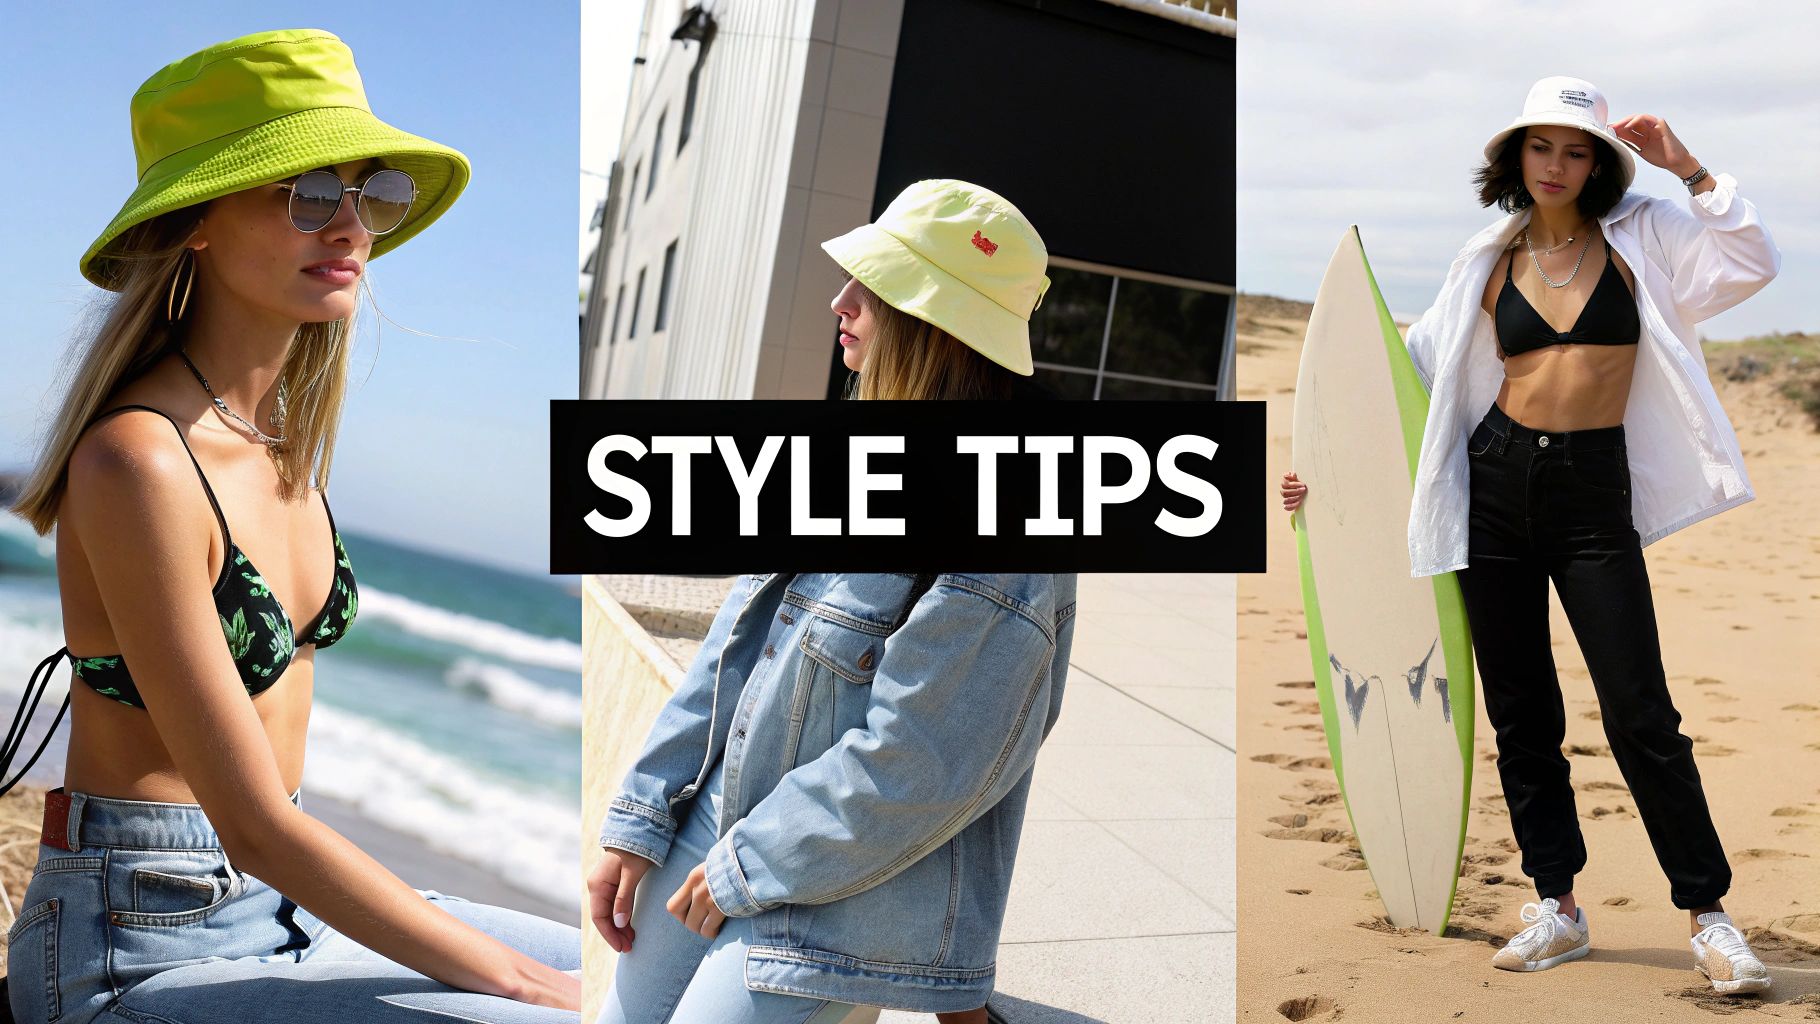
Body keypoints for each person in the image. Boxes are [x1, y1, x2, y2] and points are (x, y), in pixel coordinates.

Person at [3, 29, 579, 1022]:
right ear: (195, 224)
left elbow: (277, 844)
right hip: (140, 941)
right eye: (310, 194)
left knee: (640, 963)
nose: (351, 226)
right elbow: (254, 823)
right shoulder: (139, 458)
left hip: (290, 910)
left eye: (372, 195)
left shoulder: (282, 454)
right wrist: (522, 981)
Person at [1281, 76, 1778, 993]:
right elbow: (1405, 375)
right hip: (1495, 486)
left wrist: (1688, 168)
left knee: (1641, 712)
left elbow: (1750, 262)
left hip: (1594, 496)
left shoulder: (1647, 236)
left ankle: (1710, 916)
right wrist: (1326, 472)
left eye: (1576, 149)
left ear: (1600, 164)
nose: (1557, 165)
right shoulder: (1487, 256)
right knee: (1523, 717)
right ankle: (1559, 905)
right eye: (1541, 147)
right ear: (1515, 158)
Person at [587, 182, 1070, 1024]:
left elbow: (920, 763)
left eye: (871, 288)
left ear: (934, 323)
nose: (838, 302)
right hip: (725, 820)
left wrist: (749, 863)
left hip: (854, 884)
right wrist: (642, 810)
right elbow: (732, 647)